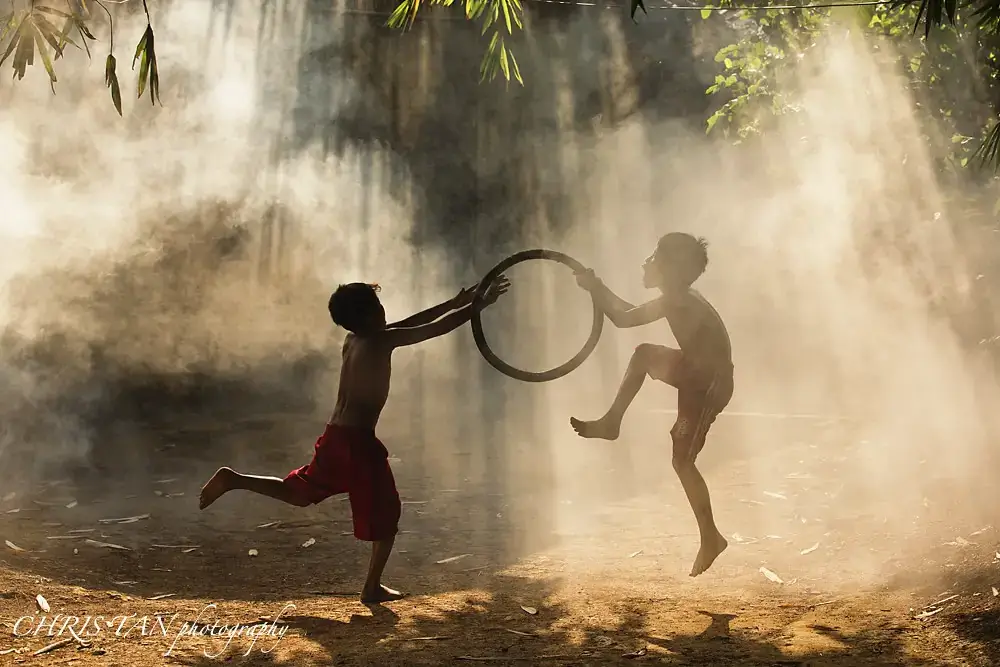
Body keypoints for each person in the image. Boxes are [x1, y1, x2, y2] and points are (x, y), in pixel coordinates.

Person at [198, 276, 510, 603]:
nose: (383, 311)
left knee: (298, 493)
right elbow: (432, 329)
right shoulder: (379, 341)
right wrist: (478, 306)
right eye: (377, 307)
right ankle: (371, 587)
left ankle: (236, 479)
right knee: (386, 512)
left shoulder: (355, 339)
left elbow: (415, 323)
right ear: (366, 317)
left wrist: (458, 301)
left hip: (334, 436)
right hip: (358, 444)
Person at [569, 232, 734, 577]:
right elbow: (624, 314)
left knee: (682, 462)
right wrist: (595, 287)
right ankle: (612, 421)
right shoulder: (678, 296)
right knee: (644, 355)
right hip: (694, 371)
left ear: (671, 269)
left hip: (709, 384)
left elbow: (624, 316)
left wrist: (594, 287)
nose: (646, 262)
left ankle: (711, 537)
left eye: (654, 257)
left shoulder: (679, 299)